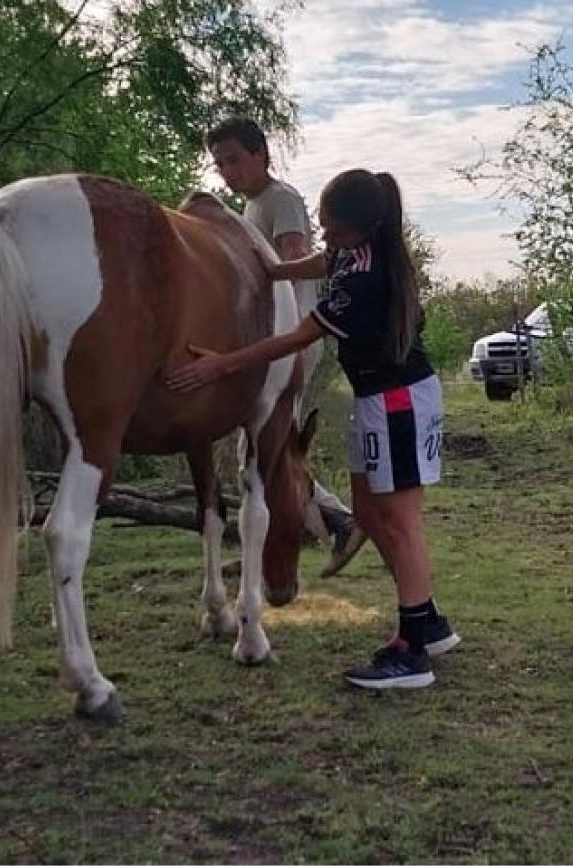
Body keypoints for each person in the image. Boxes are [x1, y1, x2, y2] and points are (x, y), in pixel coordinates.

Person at [167, 169, 460, 689]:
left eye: (335, 230)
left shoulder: (365, 280)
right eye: (323, 225)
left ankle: (412, 650)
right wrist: (276, 272)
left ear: (362, 231)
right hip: (375, 400)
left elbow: (295, 338)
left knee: (399, 520)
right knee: (367, 510)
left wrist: (224, 365)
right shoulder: (355, 250)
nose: (326, 236)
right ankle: (429, 621)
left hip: (397, 402)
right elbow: (324, 261)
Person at [206, 116, 366, 577]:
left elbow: (295, 260)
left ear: (262, 154)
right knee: (263, 449)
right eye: (220, 165)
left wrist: (259, 272)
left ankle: (332, 522)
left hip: (292, 337)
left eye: (235, 159)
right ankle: (318, 524)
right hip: (269, 340)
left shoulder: (281, 200)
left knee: (269, 449)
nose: (228, 172)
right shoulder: (252, 208)